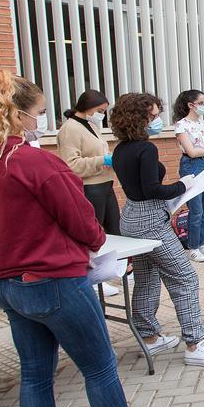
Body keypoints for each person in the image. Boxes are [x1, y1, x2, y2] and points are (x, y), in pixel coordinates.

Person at [0, 67, 184, 407]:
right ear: (16, 115)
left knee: (35, 374)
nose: (41, 122)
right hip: (53, 280)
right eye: (37, 113)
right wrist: (98, 244)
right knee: (99, 367)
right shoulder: (34, 162)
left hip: (7, 284)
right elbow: (82, 220)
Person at [109, 93, 204, 368]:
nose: (157, 121)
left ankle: (149, 336)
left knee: (147, 277)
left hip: (130, 216)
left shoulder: (121, 148)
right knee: (185, 278)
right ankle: (195, 343)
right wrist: (183, 186)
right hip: (151, 219)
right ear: (140, 119)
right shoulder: (146, 149)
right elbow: (153, 189)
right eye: (152, 116)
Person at [57, 90, 124, 297]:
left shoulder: (93, 125)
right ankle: (94, 277)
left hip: (105, 182)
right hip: (89, 186)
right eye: (100, 110)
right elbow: (71, 164)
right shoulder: (70, 129)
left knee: (113, 230)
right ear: (88, 107)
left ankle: (116, 270)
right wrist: (101, 161)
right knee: (92, 234)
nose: (102, 115)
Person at [172, 89, 204, 263]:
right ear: (191, 105)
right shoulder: (181, 125)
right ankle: (193, 247)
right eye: (201, 103)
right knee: (195, 210)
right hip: (191, 166)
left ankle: (202, 243)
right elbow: (192, 151)